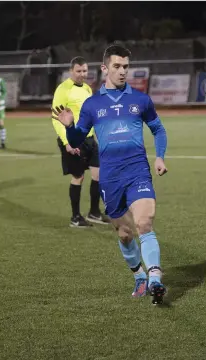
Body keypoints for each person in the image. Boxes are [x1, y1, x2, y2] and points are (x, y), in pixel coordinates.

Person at [52, 45, 168, 305]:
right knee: (125, 233)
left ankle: (156, 278)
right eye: (117, 66)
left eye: (126, 66)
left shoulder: (140, 100)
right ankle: (139, 275)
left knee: (145, 223)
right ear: (105, 68)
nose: (122, 71)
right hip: (110, 177)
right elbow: (78, 138)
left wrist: (159, 156)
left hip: (137, 170)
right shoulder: (93, 105)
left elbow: (159, 130)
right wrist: (69, 127)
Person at [52, 56, 109, 228]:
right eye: (78, 71)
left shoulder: (86, 88)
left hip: (89, 139)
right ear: (71, 71)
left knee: (99, 175)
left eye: (85, 71)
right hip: (72, 140)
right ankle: (75, 217)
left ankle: (94, 212)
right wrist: (67, 142)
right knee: (78, 177)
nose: (82, 74)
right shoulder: (63, 89)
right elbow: (57, 118)